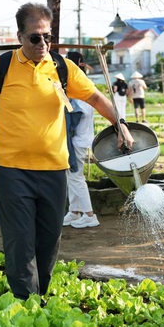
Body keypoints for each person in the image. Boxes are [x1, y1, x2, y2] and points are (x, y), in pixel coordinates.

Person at [0, 2, 134, 301]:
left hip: (54, 169)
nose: (43, 44)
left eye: (47, 37)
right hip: (11, 169)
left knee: (49, 242)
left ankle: (39, 297)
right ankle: (26, 303)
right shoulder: (2, 65)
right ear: (20, 36)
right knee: (20, 240)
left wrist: (121, 125)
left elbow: (94, 96)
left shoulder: (62, 67)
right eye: (35, 37)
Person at [63, 51, 100, 229]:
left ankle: (89, 214)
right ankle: (74, 211)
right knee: (72, 176)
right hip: (80, 137)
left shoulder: (80, 85)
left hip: (78, 138)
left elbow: (77, 113)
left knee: (76, 177)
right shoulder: (79, 83)